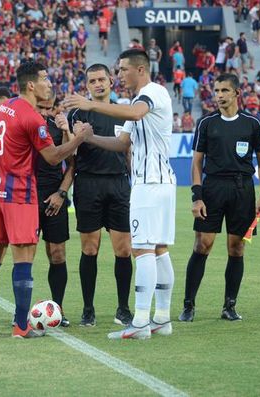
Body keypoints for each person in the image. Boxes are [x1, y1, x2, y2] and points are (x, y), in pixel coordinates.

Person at [0, 61, 92, 338]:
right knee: (23, 258)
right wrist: (79, 139)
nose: (49, 84)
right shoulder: (31, 117)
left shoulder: (3, 108)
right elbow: (52, 157)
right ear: (31, 85)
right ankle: (20, 326)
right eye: (45, 79)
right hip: (20, 195)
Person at [64, 49, 177, 340]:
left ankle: (139, 321)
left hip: (149, 185)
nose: (119, 75)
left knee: (140, 250)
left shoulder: (151, 93)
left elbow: (137, 113)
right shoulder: (136, 102)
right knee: (159, 249)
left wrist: (91, 104)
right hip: (156, 183)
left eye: (122, 69)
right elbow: (121, 143)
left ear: (140, 69)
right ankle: (162, 319)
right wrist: (88, 137)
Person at [178, 73, 260, 323]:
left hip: (243, 189)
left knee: (237, 248)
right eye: (216, 90)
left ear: (236, 93)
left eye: (224, 91)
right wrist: (197, 197)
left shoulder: (252, 123)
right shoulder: (206, 123)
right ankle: (188, 305)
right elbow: (197, 162)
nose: (218, 95)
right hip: (213, 188)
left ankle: (229, 306)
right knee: (202, 245)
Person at [67, 63, 133, 327]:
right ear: (87, 86)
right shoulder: (78, 114)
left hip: (118, 185)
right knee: (90, 249)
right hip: (88, 184)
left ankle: (123, 308)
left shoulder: (124, 113)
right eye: (92, 81)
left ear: (111, 82)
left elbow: (128, 152)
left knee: (123, 249)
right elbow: (73, 151)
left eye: (101, 79)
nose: (97, 84)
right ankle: (88, 309)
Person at [35, 93, 75, 328]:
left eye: (49, 108)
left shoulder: (57, 128)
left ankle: (57, 310)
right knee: (25, 256)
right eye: (41, 107)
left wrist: (61, 194)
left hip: (54, 197)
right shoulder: (22, 125)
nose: (45, 112)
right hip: (27, 196)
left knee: (57, 253)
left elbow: (72, 164)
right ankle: (21, 310)